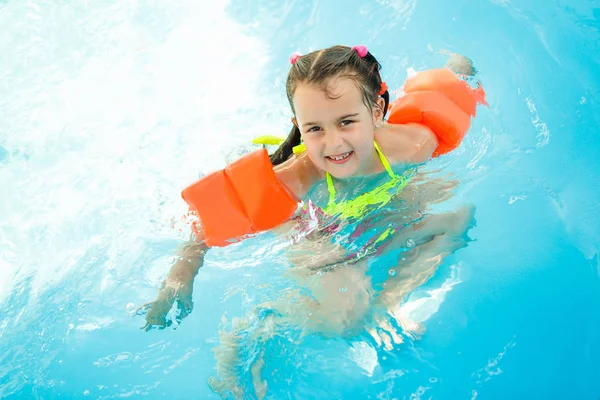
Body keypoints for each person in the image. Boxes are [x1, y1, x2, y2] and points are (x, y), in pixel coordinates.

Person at [137, 44, 486, 335]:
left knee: (459, 217)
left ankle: (391, 302)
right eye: (315, 128)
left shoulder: (413, 145)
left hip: (372, 204)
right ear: (298, 127)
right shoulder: (296, 177)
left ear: (377, 110)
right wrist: (180, 275)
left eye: (347, 121)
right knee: (347, 315)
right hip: (312, 225)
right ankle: (267, 323)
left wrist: (458, 69)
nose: (334, 143)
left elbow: (449, 89)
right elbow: (204, 224)